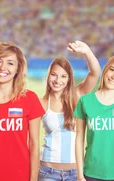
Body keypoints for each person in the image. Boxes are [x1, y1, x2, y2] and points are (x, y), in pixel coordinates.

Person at [0, 42, 44, 181]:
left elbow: (34, 144)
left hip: (21, 175)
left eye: (10, 63)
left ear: (18, 68)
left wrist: (33, 179)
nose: (3, 67)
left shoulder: (29, 98)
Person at [39, 41, 101, 181]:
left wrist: (87, 52)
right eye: (54, 75)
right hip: (48, 172)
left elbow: (95, 73)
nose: (57, 80)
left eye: (63, 76)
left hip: (75, 173)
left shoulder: (78, 95)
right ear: (48, 76)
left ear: (69, 79)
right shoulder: (42, 103)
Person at [74, 55, 114, 181]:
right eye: (112, 70)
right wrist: (80, 175)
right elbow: (79, 138)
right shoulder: (85, 101)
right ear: (105, 70)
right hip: (92, 173)